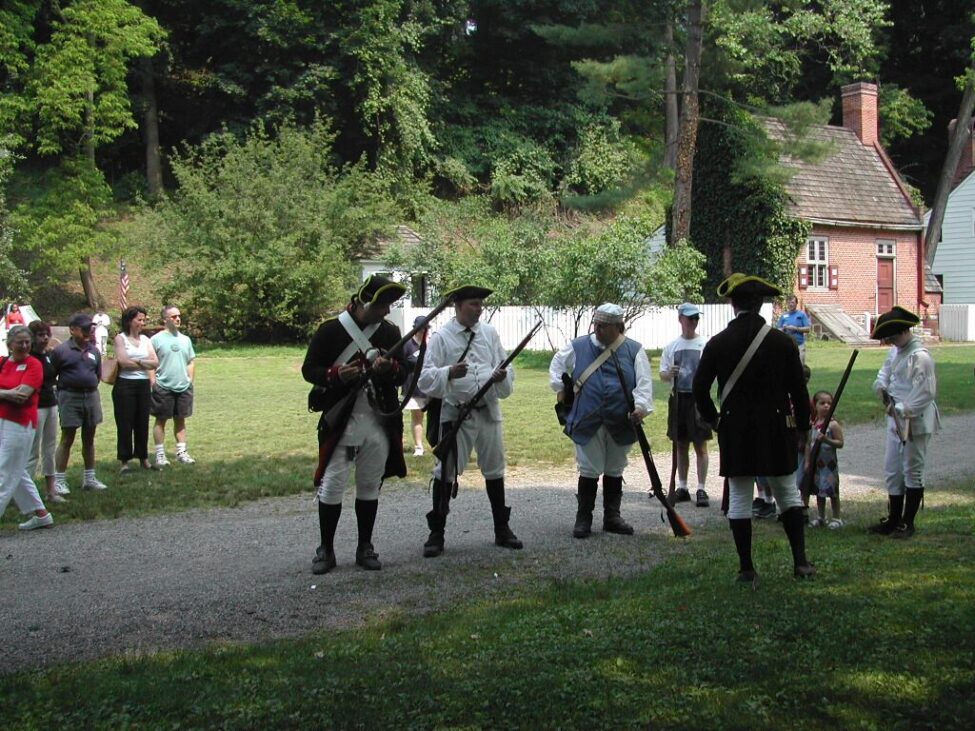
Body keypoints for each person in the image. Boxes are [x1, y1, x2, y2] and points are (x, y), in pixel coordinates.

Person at [693, 273, 814, 584]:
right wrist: (803, 428)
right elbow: (798, 392)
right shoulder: (782, 342)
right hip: (776, 427)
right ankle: (800, 562)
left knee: (740, 496)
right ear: (761, 304)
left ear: (733, 304)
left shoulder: (718, 343)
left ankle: (746, 568)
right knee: (787, 493)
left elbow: (699, 388)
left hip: (735, 429)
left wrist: (716, 419)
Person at [302, 275, 408, 574]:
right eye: (382, 305)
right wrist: (337, 374)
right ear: (365, 303)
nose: (386, 311)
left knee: (369, 483)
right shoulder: (331, 330)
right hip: (346, 427)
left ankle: (365, 546)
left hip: (378, 426)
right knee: (334, 483)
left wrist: (390, 368)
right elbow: (310, 369)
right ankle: (326, 549)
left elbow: (402, 374)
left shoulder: (389, 332)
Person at [417, 284, 521, 557]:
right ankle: (436, 533)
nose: (479, 309)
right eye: (473, 304)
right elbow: (425, 378)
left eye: (480, 304)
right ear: (458, 306)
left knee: (495, 470)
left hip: (488, 411)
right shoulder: (441, 338)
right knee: (445, 473)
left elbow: (507, 368)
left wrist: (502, 376)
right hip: (456, 414)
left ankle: (502, 529)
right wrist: (449, 373)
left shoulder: (489, 333)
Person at [550, 303, 652, 538]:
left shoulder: (634, 350)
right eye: (596, 324)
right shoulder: (577, 346)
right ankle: (583, 518)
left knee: (615, 467)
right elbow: (556, 367)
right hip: (588, 418)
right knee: (589, 468)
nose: (598, 329)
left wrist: (640, 408)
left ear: (617, 327)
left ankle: (612, 517)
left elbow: (644, 383)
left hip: (620, 418)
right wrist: (562, 388)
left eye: (603, 326)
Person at [869, 306, 940, 538]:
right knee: (893, 470)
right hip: (895, 419)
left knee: (912, 470)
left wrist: (902, 408)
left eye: (891, 337)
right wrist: (882, 389)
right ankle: (894, 518)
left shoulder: (920, 357)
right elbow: (884, 374)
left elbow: (925, 393)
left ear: (902, 332)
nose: (889, 342)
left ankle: (907, 523)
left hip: (914, 420)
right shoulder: (895, 353)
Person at [0, 325, 55, 530]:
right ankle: (41, 514)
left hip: (21, 423)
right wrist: (8, 393)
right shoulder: (3, 362)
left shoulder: (34, 365)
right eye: (19, 342)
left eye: (27, 342)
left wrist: (3, 394)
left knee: (5, 471)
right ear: (9, 344)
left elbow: (22, 395)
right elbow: (13, 394)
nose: (24, 346)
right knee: (16, 469)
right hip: (2, 420)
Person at [659, 302, 712, 507]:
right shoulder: (672, 346)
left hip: (698, 399)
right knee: (680, 444)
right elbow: (663, 375)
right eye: (689, 318)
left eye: (696, 318)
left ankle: (701, 488)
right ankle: (682, 487)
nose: (693, 322)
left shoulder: (704, 344)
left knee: (700, 444)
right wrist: (669, 373)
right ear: (680, 319)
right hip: (679, 398)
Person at [50, 313, 108, 493]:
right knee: (67, 437)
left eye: (89, 329)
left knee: (89, 438)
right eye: (84, 329)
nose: (88, 332)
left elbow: (97, 374)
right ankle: (59, 480)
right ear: (73, 330)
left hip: (91, 396)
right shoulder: (62, 351)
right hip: (69, 396)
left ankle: (89, 478)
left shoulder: (94, 351)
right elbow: (52, 374)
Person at [112, 306, 159, 473]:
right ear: (129, 320)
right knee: (125, 423)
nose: (142, 323)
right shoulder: (120, 339)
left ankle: (143, 458)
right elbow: (123, 362)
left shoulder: (146, 340)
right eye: (139, 319)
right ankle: (124, 461)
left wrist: (137, 362)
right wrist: (143, 362)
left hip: (143, 385)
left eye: (144, 320)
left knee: (142, 422)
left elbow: (155, 362)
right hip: (125, 385)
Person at [150, 305, 197, 467]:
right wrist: (153, 383)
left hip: (183, 386)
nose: (178, 319)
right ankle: (160, 455)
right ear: (165, 320)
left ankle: (181, 452)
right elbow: (150, 364)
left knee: (181, 420)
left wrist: (190, 380)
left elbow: (191, 361)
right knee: (161, 420)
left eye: (179, 316)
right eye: (174, 316)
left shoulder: (185, 339)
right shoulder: (156, 340)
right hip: (163, 386)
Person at [26, 321, 62, 504]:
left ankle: (51, 491)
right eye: (40, 335)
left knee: (49, 448)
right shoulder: (27, 358)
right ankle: (27, 493)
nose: (45, 338)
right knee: (32, 452)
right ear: (32, 337)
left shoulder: (48, 356)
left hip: (51, 404)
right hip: (35, 407)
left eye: (46, 334)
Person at [806, 390, 844, 528]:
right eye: (822, 403)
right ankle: (821, 516)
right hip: (817, 464)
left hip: (829, 465)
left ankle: (836, 517)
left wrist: (827, 440)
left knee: (832, 491)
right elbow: (808, 444)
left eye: (829, 403)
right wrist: (807, 461)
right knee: (819, 492)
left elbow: (840, 443)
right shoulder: (814, 424)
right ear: (815, 405)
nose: (826, 406)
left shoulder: (833, 425)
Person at [402, 314, 431, 457]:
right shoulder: (407, 344)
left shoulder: (430, 344)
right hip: (413, 387)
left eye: (426, 329)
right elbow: (402, 365)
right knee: (417, 416)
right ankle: (418, 446)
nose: (424, 332)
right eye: (422, 329)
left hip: (430, 386)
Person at [776, 295, 811, 363]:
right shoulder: (783, 316)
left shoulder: (802, 314)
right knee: (787, 367)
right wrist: (783, 328)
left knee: (800, 367)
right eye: (788, 302)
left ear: (796, 303)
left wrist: (795, 328)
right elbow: (778, 330)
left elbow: (808, 329)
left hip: (799, 345)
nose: (790, 304)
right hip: (786, 346)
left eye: (792, 302)